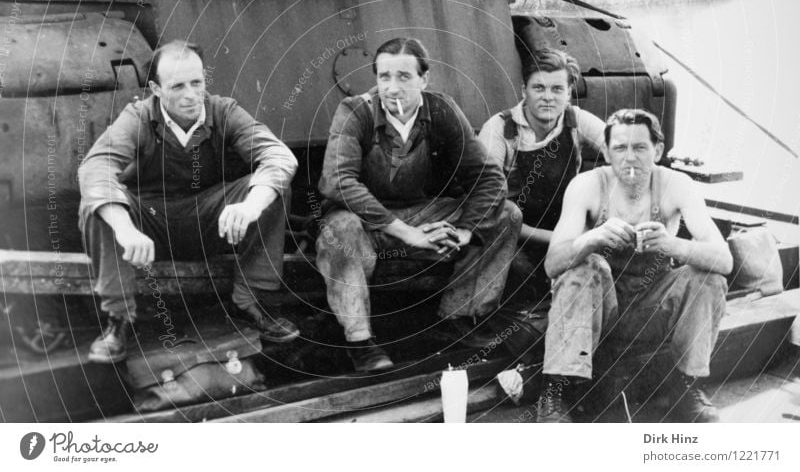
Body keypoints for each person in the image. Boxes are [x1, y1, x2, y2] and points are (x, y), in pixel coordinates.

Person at [78, 40, 300, 363]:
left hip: (209, 218)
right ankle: (118, 318)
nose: (191, 95)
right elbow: (94, 168)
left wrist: (250, 205)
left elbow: (279, 157)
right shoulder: (138, 117)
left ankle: (253, 302)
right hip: (150, 221)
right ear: (155, 88)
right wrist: (125, 229)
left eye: (197, 83)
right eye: (177, 86)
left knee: (271, 187)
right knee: (99, 202)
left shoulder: (223, 111)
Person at [316, 37, 521, 372]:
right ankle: (360, 342)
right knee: (339, 228)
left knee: (508, 215)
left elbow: (488, 178)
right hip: (367, 223)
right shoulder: (355, 110)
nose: (392, 88)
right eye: (384, 77)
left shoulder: (442, 110)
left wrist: (467, 230)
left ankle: (458, 318)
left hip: (423, 213)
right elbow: (338, 181)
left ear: (424, 80)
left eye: (404, 77)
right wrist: (409, 233)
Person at [536, 108, 732, 423]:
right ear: (606, 150)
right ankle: (555, 393)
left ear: (657, 150)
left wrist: (673, 244)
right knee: (583, 268)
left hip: (652, 309)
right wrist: (594, 238)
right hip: (602, 310)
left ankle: (686, 386)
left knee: (707, 277)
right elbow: (552, 265)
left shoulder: (676, 185)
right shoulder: (587, 185)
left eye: (640, 148)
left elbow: (724, 260)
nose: (629, 158)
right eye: (619, 148)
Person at [479, 47, 604, 305]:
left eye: (557, 89)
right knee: (523, 280)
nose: (548, 97)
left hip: (566, 228)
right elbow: (489, 209)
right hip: (514, 237)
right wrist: (558, 240)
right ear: (524, 90)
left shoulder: (575, 120)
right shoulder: (500, 130)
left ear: (569, 93)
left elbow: (622, 148)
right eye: (539, 88)